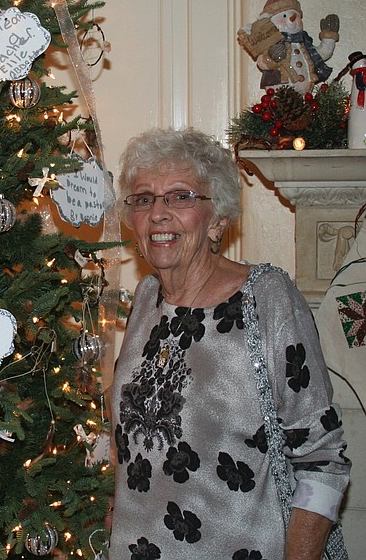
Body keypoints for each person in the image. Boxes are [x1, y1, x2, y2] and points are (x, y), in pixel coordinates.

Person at [109, 127, 350, 559]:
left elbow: (323, 462)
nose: (159, 213)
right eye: (144, 199)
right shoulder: (146, 299)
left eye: (181, 196)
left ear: (218, 218)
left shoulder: (268, 298)